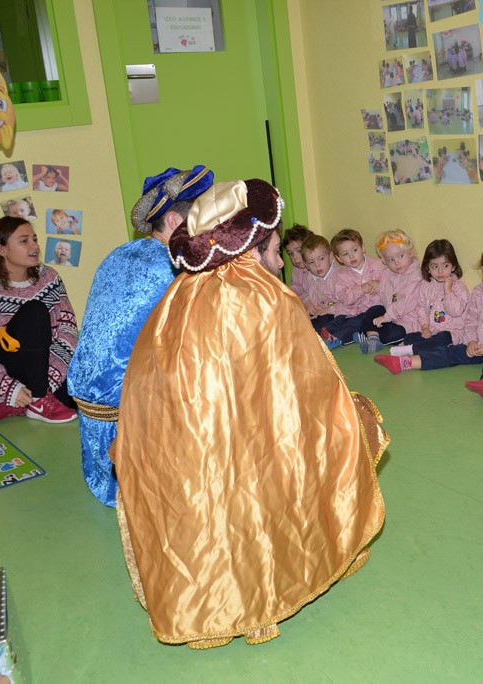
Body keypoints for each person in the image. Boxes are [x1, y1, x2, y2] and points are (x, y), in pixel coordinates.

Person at [111, 178, 387, 649]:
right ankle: (267, 592)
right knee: (297, 457)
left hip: (184, 458)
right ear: (248, 253)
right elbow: (306, 392)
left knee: (226, 498)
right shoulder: (261, 298)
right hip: (225, 445)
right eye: (276, 252)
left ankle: (222, 604)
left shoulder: (180, 298)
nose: (281, 264)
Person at [67, 166, 212, 507]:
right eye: (202, 219)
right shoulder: (175, 268)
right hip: (126, 410)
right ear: (175, 221)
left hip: (87, 400)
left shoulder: (120, 253)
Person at [0, 216, 78, 424]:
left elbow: (68, 332)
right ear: (1, 249)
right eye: (24, 241)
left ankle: (27, 402)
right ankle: (35, 399)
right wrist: (8, 388)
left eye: (34, 239)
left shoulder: (49, 278)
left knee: (79, 398)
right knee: (35, 311)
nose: (34, 246)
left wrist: (50, 380)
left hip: (46, 367)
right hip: (8, 367)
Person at [375, 242, 483, 400]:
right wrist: (472, 341)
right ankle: (404, 363)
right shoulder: (478, 292)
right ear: (482, 268)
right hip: (477, 346)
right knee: (449, 352)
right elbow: (471, 320)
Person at [377, 239, 469, 361]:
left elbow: (456, 311)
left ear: (453, 266)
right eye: (434, 266)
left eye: (445, 266)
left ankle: (410, 350)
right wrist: (425, 327)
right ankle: (416, 346)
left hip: (452, 332)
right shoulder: (426, 285)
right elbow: (421, 308)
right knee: (410, 337)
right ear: (428, 268)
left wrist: (448, 291)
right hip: (431, 331)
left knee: (443, 339)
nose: (440, 271)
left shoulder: (458, 287)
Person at [356, 229, 425, 353]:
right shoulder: (388, 273)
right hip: (389, 315)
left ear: (411, 253)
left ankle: (369, 334)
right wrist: (378, 287)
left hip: (407, 322)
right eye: (390, 260)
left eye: (400, 256)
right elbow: (385, 295)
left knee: (395, 334)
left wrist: (386, 317)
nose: (396, 262)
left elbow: (405, 303)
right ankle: (373, 338)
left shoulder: (416, 277)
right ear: (384, 261)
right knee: (373, 310)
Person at [300, 234, 367, 347]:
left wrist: (329, 310)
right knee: (306, 324)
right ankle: (312, 338)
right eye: (311, 262)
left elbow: (348, 302)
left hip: (340, 312)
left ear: (330, 257)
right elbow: (305, 293)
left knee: (343, 325)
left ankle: (330, 339)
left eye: (321, 259)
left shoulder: (339, 275)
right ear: (306, 265)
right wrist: (308, 303)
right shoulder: (308, 277)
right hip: (320, 314)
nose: (317, 265)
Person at [282, 224, 313, 304]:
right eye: (290, 253)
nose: (294, 257)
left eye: (298, 251)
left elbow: (316, 291)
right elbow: (297, 286)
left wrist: (304, 301)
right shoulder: (297, 269)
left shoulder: (316, 268)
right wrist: (290, 291)